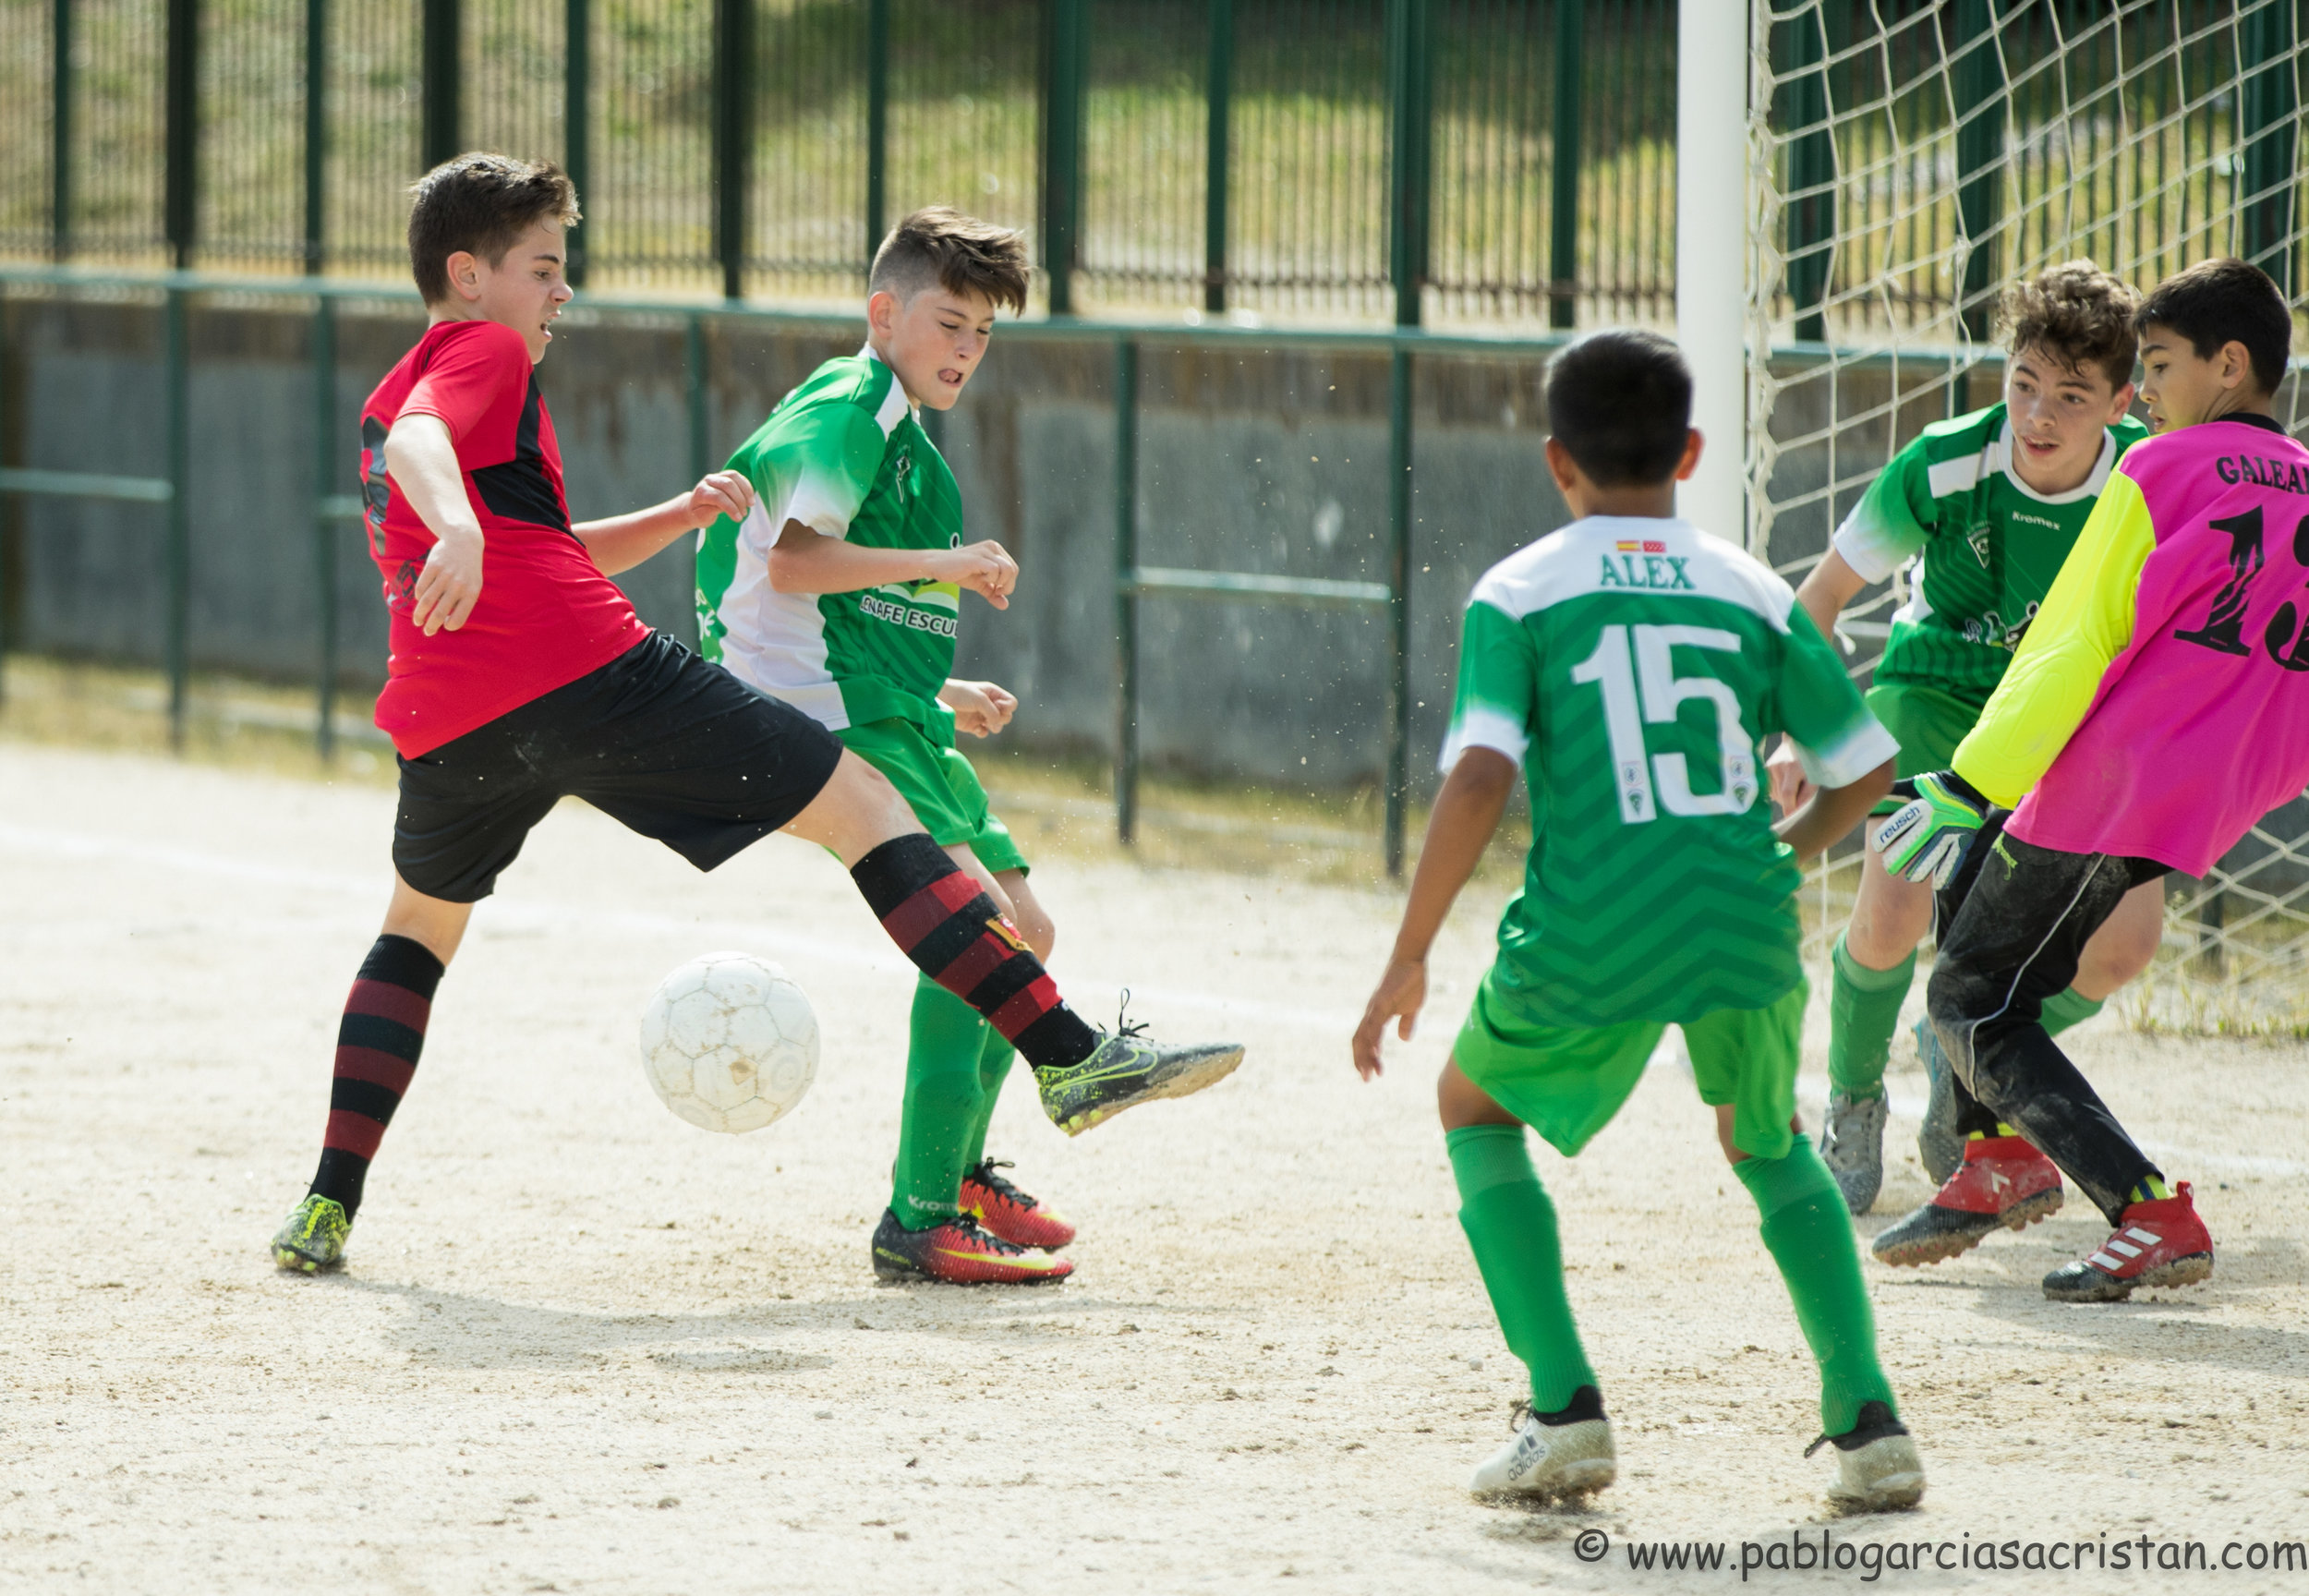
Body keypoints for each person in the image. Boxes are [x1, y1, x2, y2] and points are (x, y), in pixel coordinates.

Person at [270, 155, 1242, 1275]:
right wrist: (457, 527)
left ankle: (326, 1206)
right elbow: (424, 451)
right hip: (588, 674)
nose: (561, 292)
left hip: (452, 718)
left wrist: (678, 514)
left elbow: (541, 540)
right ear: (467, 274)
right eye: (543, 268)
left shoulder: (391, 388)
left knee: (414, 935)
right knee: (867, 810)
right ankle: (1068, 1054)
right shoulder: (475, 354)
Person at [1353, 330, 1925, 1511]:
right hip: (1745, 923)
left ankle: (1563, 1412)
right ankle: (1869, 1425)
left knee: (1470, 1105)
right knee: (1766, 1143)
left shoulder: (1517, 590)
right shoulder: (1752, 589)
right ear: (1694, 450)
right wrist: (1785, 852)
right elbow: (1865, 767)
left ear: (1556, 461)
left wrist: (1407, 956)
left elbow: (1474, 779)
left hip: (1592, 924)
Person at [1871, 258, 2309, 1302]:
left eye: (2156, 367)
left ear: (2229, 364)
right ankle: (1991, 1158)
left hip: (2112, 782)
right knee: (1976, 901)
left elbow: (2070, 648)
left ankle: (2145, 1208)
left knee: (1971, 1001)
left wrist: (1972, 779)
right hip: (2210, 790)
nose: (2143, 391)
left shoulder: (2156, 473)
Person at [696, 207, 1085, 1285]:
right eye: (949, 322)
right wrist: (953, 562)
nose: (966, 349)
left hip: (871, 699)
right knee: (990, 927)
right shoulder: (852, 403)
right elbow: (792, 565)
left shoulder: (892, 420)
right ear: (884, 312)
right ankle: (919, 1218)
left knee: (1028, 930)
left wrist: (939, 687)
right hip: (816, 710)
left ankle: (953, 1176)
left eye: (984, 334)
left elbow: (832, 591)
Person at [1768, 261, 2160, 1215]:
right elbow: (1815, 600)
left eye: (2070, 396)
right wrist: (1790, 735)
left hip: (2066, 720)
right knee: (1895, 911)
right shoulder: (1945, 462)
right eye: (2024, 384)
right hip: (1932, 697)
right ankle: (1854, 1096)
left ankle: (1961, 1064)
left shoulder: (2147, 481)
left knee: (2121, 947)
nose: (2038, 415)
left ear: (2121, 400)